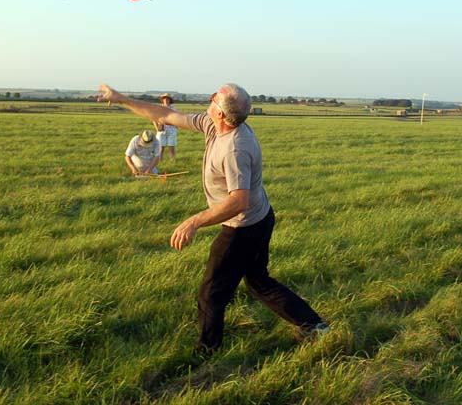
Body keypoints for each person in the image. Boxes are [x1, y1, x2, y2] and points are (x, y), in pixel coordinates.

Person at [99, 82, 328, 353]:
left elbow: (238, 200)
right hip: (260, 217)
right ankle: (315, 326)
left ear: (220, 112)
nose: (209, 99)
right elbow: (164, 115)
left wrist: (194, 221)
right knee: (259, 282)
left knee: (211, 292)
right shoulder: (213, 125)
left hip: (244, 227)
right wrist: (122, 98)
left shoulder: (235, 148)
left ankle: (207, 351)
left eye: (213, 98)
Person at [154, 93, 178, 160]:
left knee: (172, 147)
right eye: (164, 98)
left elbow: (177, 118)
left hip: (172, 130)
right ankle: (160, 160)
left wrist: (176, 126)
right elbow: (154, 119)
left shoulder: (174, 109)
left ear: (170, 100)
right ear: (162, 100)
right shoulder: (159, 108)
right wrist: (157, 128)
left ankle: (172, 161)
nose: (166, 100)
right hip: (161, 130)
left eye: (167, 98)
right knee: (161, 148)